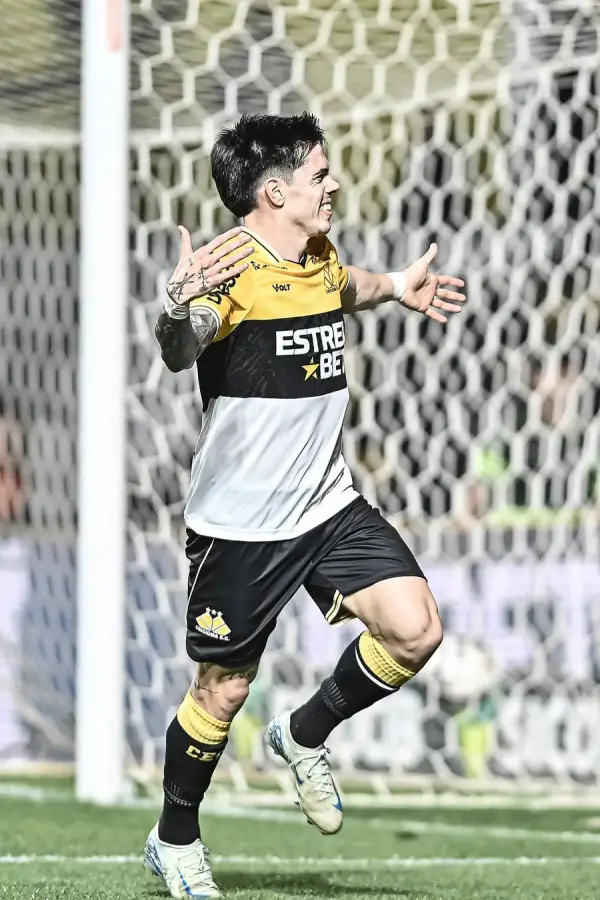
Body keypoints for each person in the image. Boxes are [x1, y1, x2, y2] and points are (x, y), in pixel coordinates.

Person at [145, 112, 466, 899]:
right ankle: (174, 838)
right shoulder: (231, 267)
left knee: (418, 627)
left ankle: (305, 734)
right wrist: (175, 307)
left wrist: (395, 287)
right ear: (276, 189)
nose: (333, 186)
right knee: (222, 691)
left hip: (326, 505)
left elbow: (343, 284)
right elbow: (184, 342)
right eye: (320, 175)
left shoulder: (316, 255)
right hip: (242, 524)